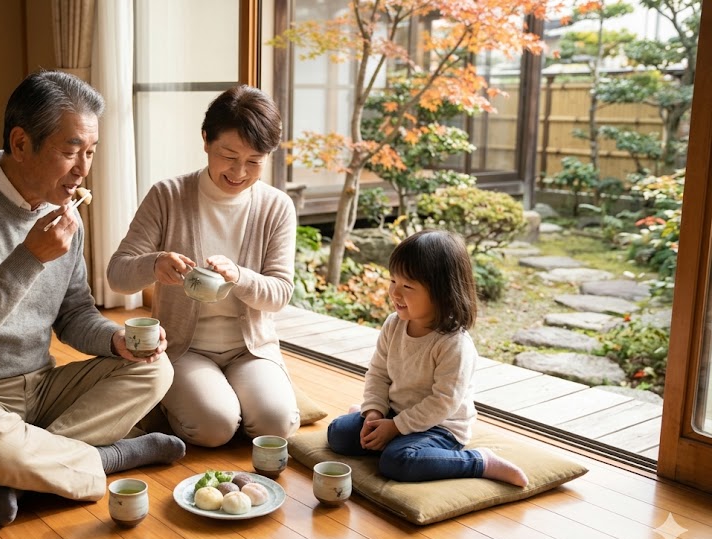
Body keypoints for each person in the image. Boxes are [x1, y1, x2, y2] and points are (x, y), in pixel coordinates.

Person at [0, 70, 185, 527]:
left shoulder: (66, 217)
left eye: (91, 152)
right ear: (20, 143)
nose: (83, 169)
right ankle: (112, 457)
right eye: (71, 150)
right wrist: (29, 257)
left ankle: (18, 472)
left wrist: (117, 342)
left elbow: (74, 314)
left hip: (40, 387)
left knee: (155, 370)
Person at [107, 85, 299, 447]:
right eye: (229, 155)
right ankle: (178, 401)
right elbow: (117, 275)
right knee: (215, 427)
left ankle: (235, 395)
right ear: (206, 141)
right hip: (185, 347)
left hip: (250, 348)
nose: (240, 172)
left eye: (255, 161)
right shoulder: (167, 196)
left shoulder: (276, 207)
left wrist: (239, 276)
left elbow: (279, 295)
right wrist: (155, 264)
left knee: (276, 426)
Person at [326, 230, 529, 487]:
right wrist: (374, 412)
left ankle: (480, 461)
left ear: (442, 292)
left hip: (440, 427)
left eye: (407, 286)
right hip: (396, 412)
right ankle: (370, 417)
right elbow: (378, 373)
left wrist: (396, 427)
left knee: (398, 461)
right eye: (393, 281)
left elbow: (443, 402)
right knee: (338, 434)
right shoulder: (394, 324)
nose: (395, 293)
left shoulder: (453, 344)